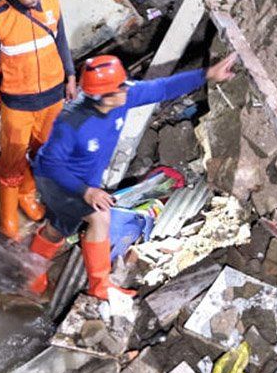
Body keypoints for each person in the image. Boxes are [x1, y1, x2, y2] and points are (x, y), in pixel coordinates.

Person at [27, 53, 239, 299]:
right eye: (119, 88)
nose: (126, 91)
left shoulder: (123, 96)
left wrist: (207, 74)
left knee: (58, 229)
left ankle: (32, 270)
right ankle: (99, 284)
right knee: (100, 217)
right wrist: (86, 191)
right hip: (58, 182)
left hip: (86, 181)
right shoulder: (72, 123)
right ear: (99, 97)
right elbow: (48, 164)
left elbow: (161, 88)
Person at [0, 0, 78, 239]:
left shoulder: (52, 2)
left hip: (53, 97)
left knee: (42, 152)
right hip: (18, 103)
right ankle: (8, 215)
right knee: (11, 158)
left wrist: (70, 75)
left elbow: (61, 41)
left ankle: (27, 194)